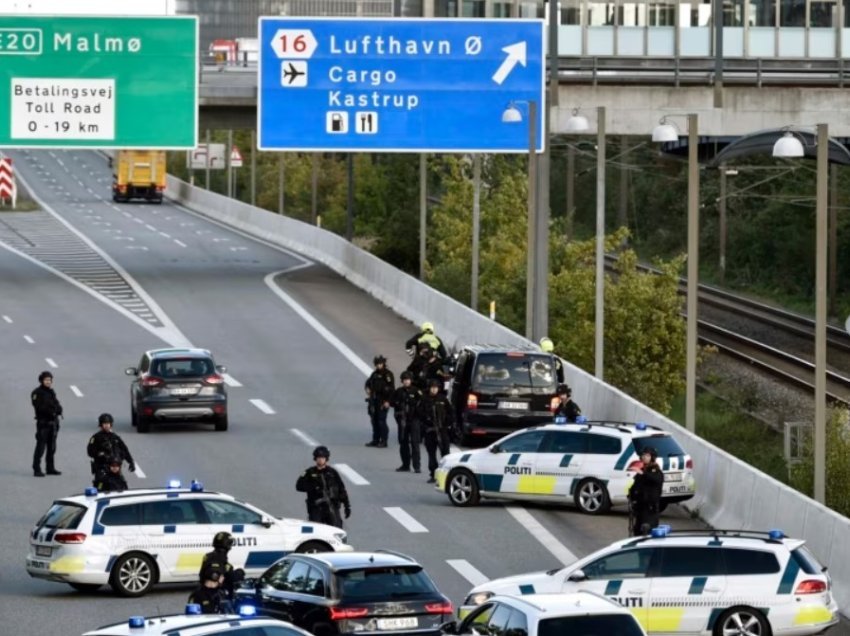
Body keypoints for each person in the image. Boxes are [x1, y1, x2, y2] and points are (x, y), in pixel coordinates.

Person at [296, 446, 351, 528]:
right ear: (315, 458)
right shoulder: (309, 472)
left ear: (326, 458)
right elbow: (299, 486)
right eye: (318, 457)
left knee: (336, 530)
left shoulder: (332, 472)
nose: (320, 460)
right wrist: (314, 488)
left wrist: (347, 506)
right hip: (316, 508)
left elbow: (341, 489)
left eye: (322, 457)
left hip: (331, 506)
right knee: (316, 530)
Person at [417, 379, 455, 484]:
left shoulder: (443, 399)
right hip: (430, 431)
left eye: (436, 388)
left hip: (442, 430)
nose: (434, 389)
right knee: (431, 454)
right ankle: (433, 474)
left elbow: (451, 413)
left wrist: (446, 423)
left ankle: (447, 475)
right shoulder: (424, 399)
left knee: (446, 454)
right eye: (432, 387)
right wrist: (427, 422)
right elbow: (419, 413)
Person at [87, 413, 135, 484]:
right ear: (101, 425)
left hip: (114, 466)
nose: (106, 425)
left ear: (111, 424)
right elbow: (90, 451)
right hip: (101, 466)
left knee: (121, 483)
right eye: (104, 423)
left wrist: (131, 462)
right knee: (100, 484)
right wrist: (99, 453)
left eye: (108, 423)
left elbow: (124, 450)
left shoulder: (115, 437)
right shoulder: (96, 437)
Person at [31, 370, 63, 477]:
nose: (48, 382)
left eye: (50, 380)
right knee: (40, 447)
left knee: (52, 447)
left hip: (53, 423)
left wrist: (58, 410)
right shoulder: (37, 393)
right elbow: (39, 407)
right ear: (41, 381)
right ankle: (36, 468)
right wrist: (51, 411)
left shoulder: (51, 392)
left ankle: (50, 468)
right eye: (46, 380)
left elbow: (57, 404)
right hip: (43, 424)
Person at [628, 446, 664, 536]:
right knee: (637, 532)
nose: (644, 457)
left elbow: (656, 480)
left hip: (650, 510)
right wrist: (631, 496)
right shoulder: (642, 471)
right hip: (640, 508)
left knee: (647, 533)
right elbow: (636, 486)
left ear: (652, 457)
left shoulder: (656, 470)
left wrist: (643, 474)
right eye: (643, 455)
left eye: (647, 455)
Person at [199, 531, 244, 604]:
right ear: (228, 546)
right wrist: (239, 573)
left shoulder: (207, 556)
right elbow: (228, 577)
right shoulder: (223, 562)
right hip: (217, 597)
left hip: (202, 591)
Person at [391, 371, 422, 473]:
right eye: (404, 380)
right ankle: (405, 465)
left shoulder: (416, 391)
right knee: (403, 443)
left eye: (408, 380)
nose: (406, 382)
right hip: (402, 421)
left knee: (415, 443)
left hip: (414, 420)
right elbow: (392, 402)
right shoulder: (399, 391)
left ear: (411, 380)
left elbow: (423, 403)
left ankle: (417, 466)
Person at [364, 355, 394, 448]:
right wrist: (367, 389)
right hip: (374, 400)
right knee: (374, 421)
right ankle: (375, 440)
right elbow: (367, 383)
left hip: (382, 400)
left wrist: (388, 401)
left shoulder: (388, 374)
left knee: (381, 421)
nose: (378, 366)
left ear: (383, 363)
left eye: (380, 364)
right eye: (377, 364)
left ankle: (384, 441)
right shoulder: (374, 374)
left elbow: (392, 389)